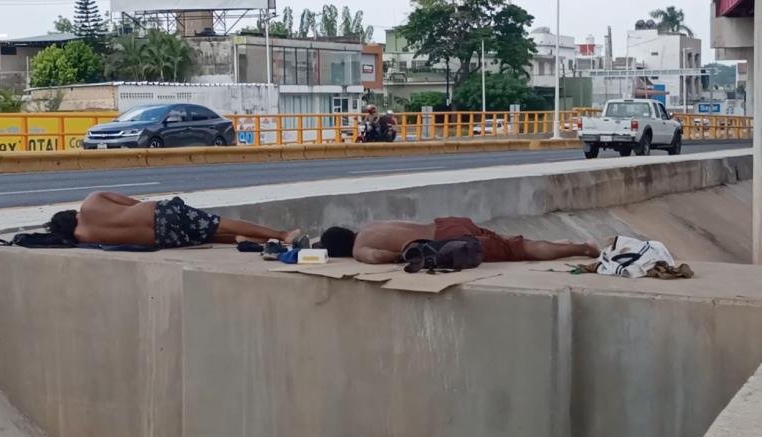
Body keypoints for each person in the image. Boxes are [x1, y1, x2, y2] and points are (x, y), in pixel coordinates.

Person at [45, 191, 301, 249]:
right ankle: (281, 235)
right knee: (219, 223)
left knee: (208, 234)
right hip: (159, 214)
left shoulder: (83, 238)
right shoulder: (92, 201)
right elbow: (134, 204)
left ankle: (242, 240)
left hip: (162, 239)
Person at [319, 218, 600, 265]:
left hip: (448, 241)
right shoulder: (370, 226)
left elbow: (375, 258)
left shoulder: (359, 249)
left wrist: (396, 257)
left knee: (520, 251)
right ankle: (562, 243)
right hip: (444, 223)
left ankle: (582, 248)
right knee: (510, 243)